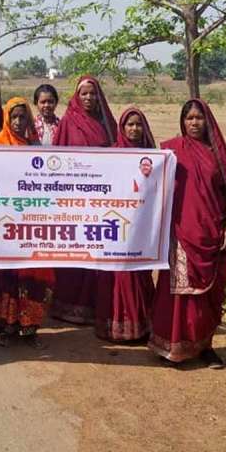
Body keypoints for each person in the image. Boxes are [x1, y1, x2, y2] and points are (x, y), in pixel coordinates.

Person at [148, 99, 226, 368]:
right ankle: (172, 346)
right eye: (189, 118)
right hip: (180, 232)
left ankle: (205, 347)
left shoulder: (217, 155)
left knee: (207, 297)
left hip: (211, 232)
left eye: (199, 118)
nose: (194, 123)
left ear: (207, 121)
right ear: (182, 122)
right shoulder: (172, 151)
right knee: (178, 292)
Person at [50, 76, 117, 324]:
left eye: (93, 93)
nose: (89, 98)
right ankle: (68, 306)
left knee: (99, 252)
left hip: (101, 200)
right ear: (77, 96)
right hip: (73, 201)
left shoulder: (107, 123)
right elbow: (57, 162)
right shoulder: (68, 122)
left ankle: (97, 305)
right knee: (74, 253)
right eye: (84, 93)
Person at [0, 97, 54, 346]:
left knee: (31, 272)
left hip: (31, 220)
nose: (17, 122)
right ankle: (7, 327)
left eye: (22, 117)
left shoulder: (34, 147)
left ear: (28, 119)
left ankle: (30, 328)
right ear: (6, 118)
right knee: (8, 274)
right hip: (5, 219)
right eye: (13, 117)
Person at [94, 108, 156, 341]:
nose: (134, 129)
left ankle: (139, 325)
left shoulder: (153, 157)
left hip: (142, 224)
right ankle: (114, 325)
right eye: (130, 124)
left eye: (138, 124)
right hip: (115, 224)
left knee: (138, 273)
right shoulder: (113, 155)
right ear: (122, 127)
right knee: (116, 273)